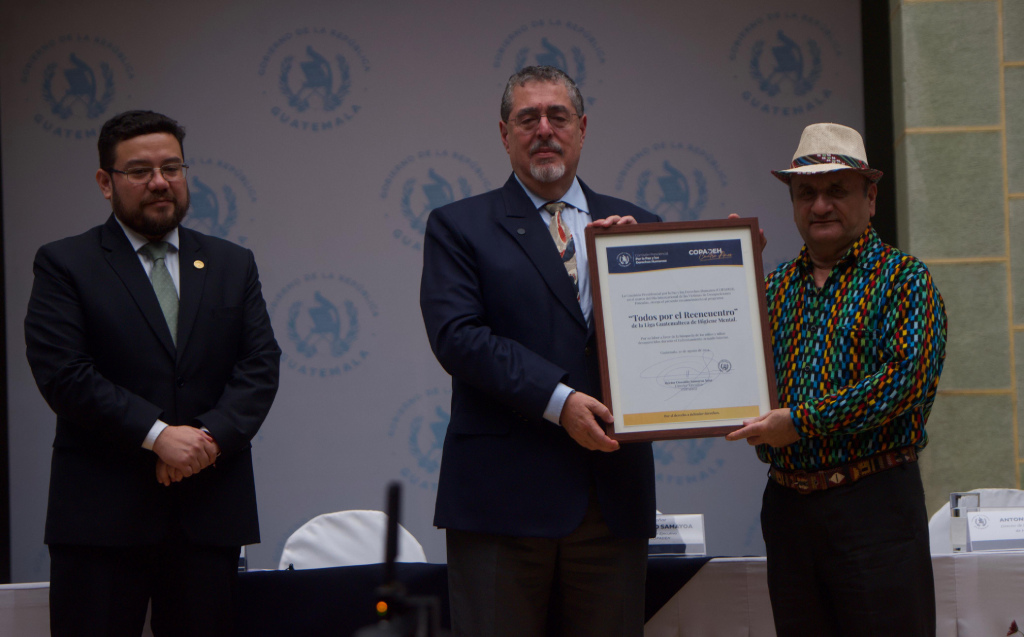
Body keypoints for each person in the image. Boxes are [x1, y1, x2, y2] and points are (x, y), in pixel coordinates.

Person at [419, 66, 659, 637]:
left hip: (611, 498)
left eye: (558, 116)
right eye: (528, 118)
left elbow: (664, 341)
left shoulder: (639, 229)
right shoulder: (459, 226)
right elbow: (458, 336)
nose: (544, 129)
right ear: (504, 134)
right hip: (501, 503)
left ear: (582, 128)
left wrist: (722, 264)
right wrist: (560, 400)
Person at [24, 110, 281, 637]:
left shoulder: (233, 263)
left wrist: (204, 441)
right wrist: (159, 436)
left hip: (207, 514)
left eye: (172, 167)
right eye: (140, 170)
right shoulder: (65, 264)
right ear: (105, 182)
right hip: (101, 517)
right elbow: (64, 374)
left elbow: (259, 366)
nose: (160, 182)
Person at [726, 122, 947, 636]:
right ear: (793, 203)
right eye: (807, 192)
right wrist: (726, 275)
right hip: (788, 512)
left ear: (870, 198)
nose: (820, 205)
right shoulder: (771, 288)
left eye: (836, 190)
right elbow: (724, 363)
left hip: (875, 508)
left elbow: (905, 382)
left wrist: (801, 423)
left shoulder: (904, 279)